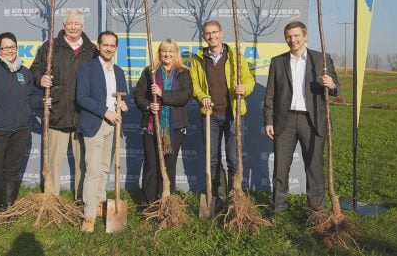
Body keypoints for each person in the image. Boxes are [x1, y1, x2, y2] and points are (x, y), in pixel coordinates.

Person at [264, 21, 339, 214]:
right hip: (285, 121)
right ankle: (279, 207)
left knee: (314, 166)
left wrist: (331, 84)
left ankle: (316, 209)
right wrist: (268, 120)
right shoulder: (277, 61)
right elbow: (270, 95)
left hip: (312, 120)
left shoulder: (321, 59)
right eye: (289, 36)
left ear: (305, 36)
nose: (293, 39)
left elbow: (335, 89)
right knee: (281, 167)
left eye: (296, 35)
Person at [0, 32, 47, 215]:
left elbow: (30, 97)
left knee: (12, 171)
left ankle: (7, 208)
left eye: (12, 47)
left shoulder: (25, 72)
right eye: (5, 48)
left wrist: (42, 102)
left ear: (17, 48)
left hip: (20, 132)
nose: (9, 51)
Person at [30, 9, 97, 199]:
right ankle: (51, 200)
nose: (73, 27)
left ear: (82, 27)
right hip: (56, 112)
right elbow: (34, 69)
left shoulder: (92, 51)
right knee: (52, 162)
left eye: (77, 24)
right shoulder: (50, 47)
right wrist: (40, 78)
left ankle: (82, 200)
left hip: (82, 114)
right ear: (63, 26)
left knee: (83, 162)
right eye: (70, 23)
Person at [190, 20, 254, 208]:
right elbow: (194, 85)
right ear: (203, 36)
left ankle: (236, 199)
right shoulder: (198, 59)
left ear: (221, 33)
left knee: (234, 158)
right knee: (212, 159)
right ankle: (218, 198)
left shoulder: (236, 56)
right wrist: (202, 97)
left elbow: (249, 80)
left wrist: (245, 88)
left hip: (233, 114)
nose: (211, 36)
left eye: (214, 32)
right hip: (210, 115)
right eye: (207, 33)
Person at [76, 31, 128, 233]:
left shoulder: (119, 71)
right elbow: (82, 97)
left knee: (105, 167)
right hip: (94, 123)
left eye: (112, 45)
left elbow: (123, 96)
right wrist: (105, 111)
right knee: (93, 170)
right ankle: (88, 215)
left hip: (113, 125)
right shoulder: (87, 69)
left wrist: (123, 105)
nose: (108, 48)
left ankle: (99, 204)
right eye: (105, 44)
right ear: (98, 46)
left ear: (116, 48)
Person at [134, 39, 193, 204]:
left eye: (171, 51)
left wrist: (162, 94)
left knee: (168, 165)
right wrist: (148, 106)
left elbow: (185, 96)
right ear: (159, 53)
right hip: (152, 125)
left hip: (174, 127)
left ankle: (165, 202)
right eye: (163, 51)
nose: (167, 54)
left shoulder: (183, 73)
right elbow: (138, 94)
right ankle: (148, 204)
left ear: (176, 54)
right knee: (152, 165)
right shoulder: (150, 72)